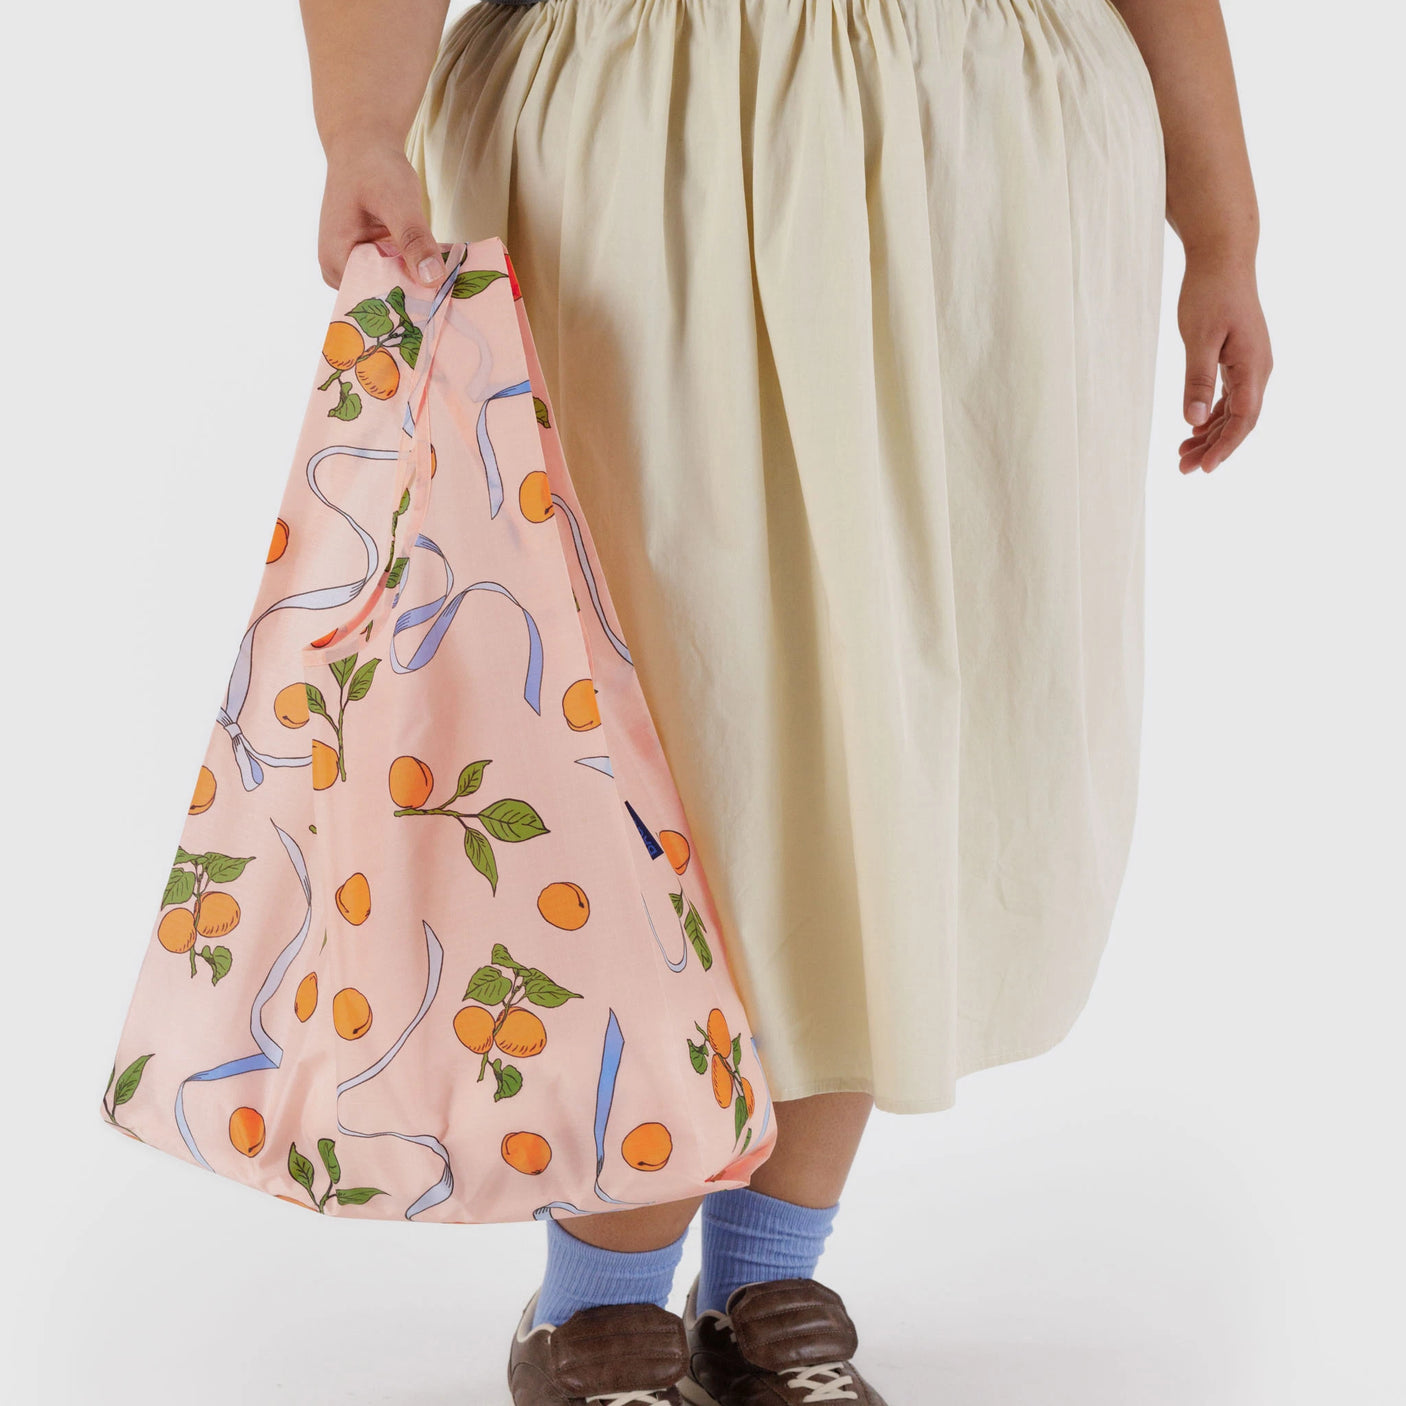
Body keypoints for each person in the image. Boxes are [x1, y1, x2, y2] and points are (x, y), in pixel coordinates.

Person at [299, 1, 1270, 1401]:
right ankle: (599, 1292)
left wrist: (1220, 224)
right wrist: (360, 125)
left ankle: (768, 1264)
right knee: (658, 734)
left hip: (978, 146)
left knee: (882, 717)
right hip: (642, 153)